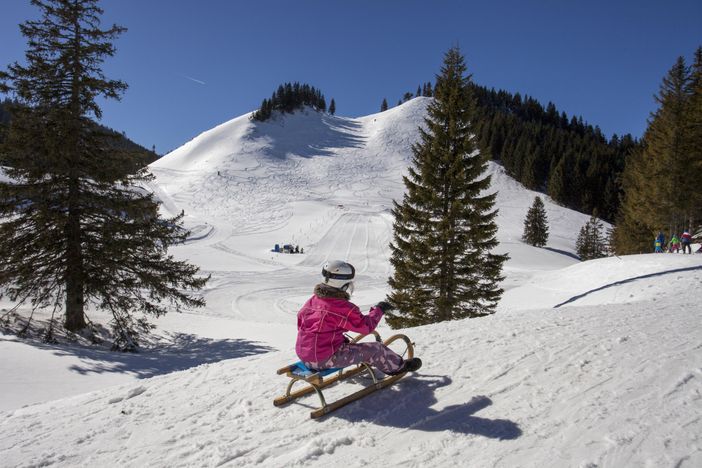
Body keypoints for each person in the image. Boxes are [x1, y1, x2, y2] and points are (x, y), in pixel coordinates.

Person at [295, 260, 421, 375]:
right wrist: (379, 310)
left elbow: (306, 327)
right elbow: (366, 327)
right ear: (343, 285)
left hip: (305, 356)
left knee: (347, 343)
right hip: (324, 360)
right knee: (377, 349)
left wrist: (334, 339)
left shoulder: (311, 302)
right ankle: (398, 367)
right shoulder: (343, 307)